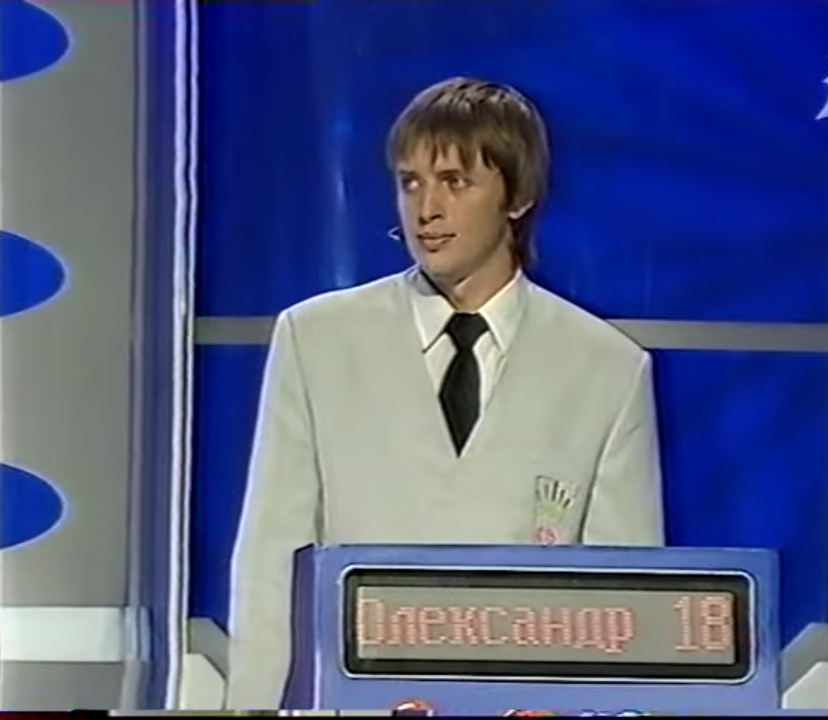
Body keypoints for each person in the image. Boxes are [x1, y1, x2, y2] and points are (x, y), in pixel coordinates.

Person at [226, 77, 664, 710]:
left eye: (455, 182)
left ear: (519, 195)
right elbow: (271, 564)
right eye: (411, 183)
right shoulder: (317, 340)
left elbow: (622, 601)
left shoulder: (606, 369)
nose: (426, 209)